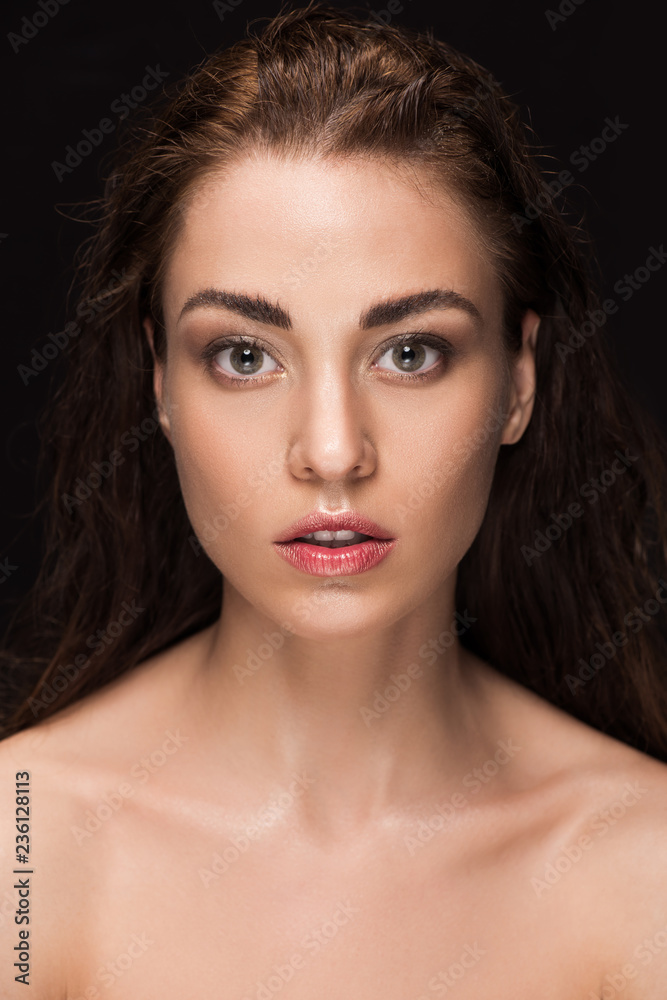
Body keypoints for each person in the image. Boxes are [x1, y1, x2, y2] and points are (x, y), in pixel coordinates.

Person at [1, 3, 667, 996]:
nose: (331, 452)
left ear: (519, 380)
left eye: (409, 352)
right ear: (159, 384)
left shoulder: (642, 871)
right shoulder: (24, 848)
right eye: (243, 355)